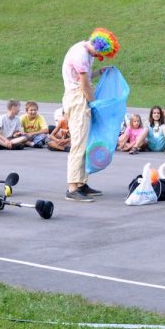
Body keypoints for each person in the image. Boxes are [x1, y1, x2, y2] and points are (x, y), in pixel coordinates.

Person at [61, 28, 119, 202]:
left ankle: (81, 183)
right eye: (101, 54)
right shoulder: (81, 55)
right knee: (79, 143)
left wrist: (99, 72)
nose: (99, 57)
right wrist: (95, 105)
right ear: (98, 46)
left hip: (79, 96)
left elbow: (81, 77)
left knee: (86, 142)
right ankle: (72, 187)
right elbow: (85, 86)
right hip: (77, 98)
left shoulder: (85, 49)